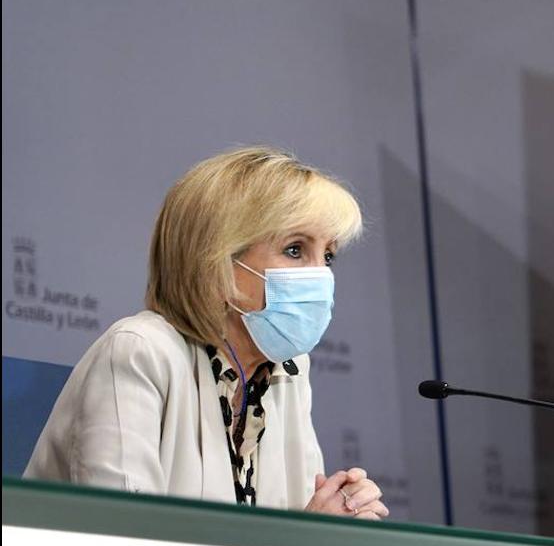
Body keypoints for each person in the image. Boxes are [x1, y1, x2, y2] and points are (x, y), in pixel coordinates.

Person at [25, 146, 388, 520]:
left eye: (328, 255)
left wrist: (340, 521)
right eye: (295, 249)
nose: (320, 275)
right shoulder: (140, 352)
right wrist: (314, 535)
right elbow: (126, 539)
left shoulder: (289, 371)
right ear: (217, 260)